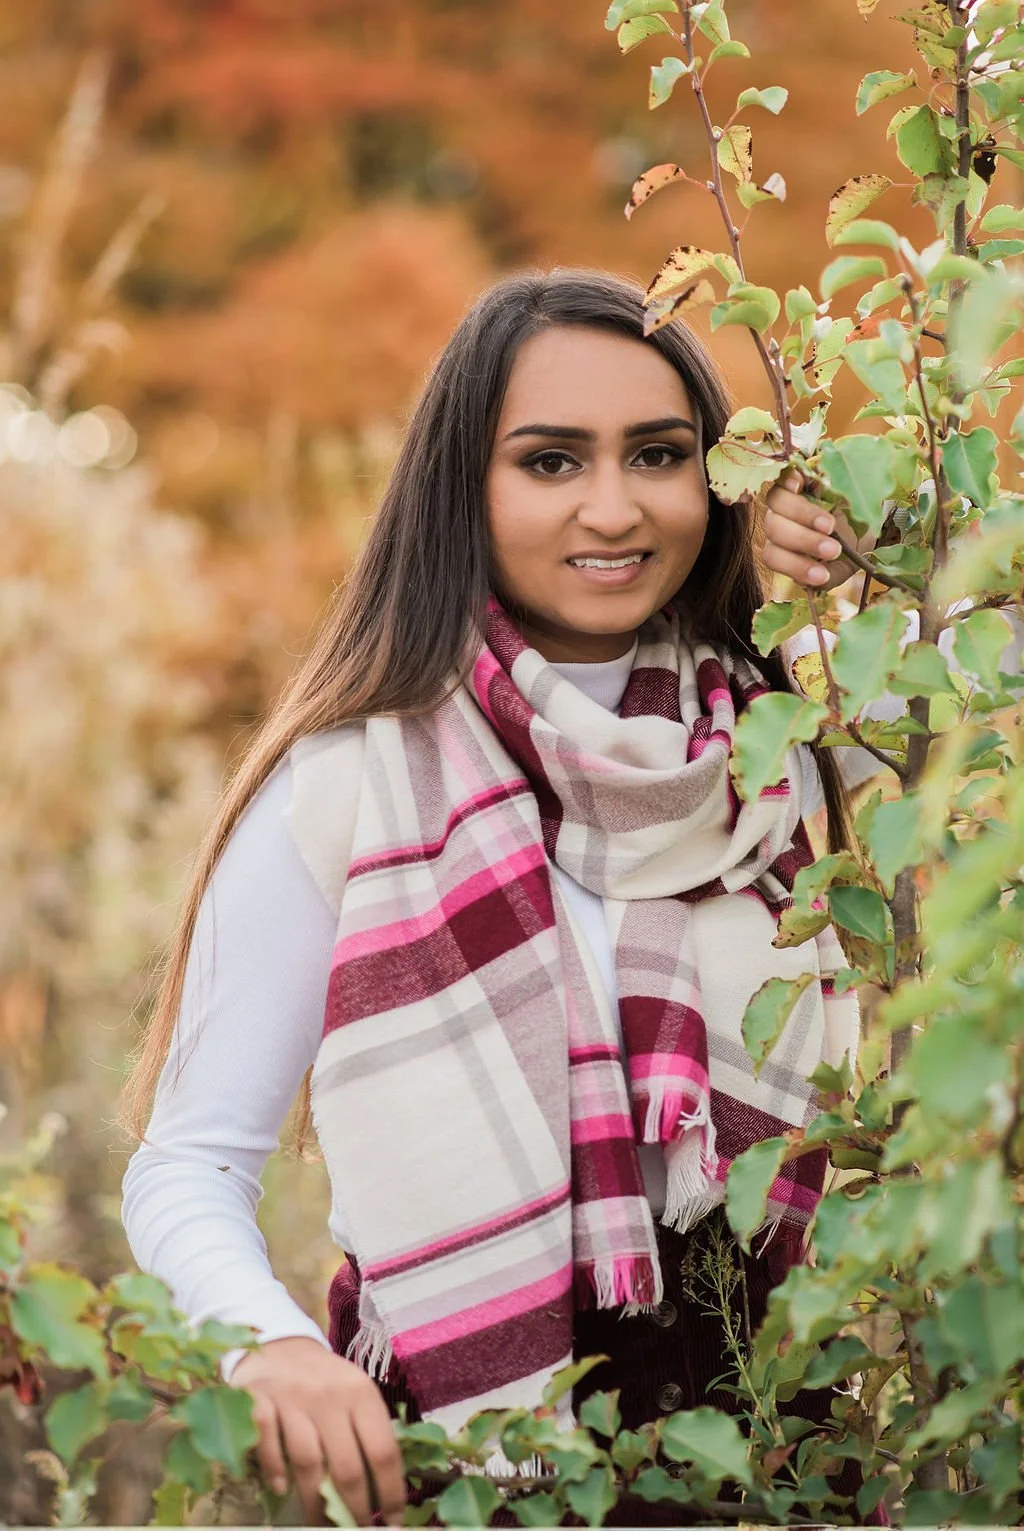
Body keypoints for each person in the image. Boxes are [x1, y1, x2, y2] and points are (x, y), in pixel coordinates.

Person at [119, 268, 907, 1527]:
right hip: (469, 1463)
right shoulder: (345, 787)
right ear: (462, 488)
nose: (614, 506)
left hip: (779, 1453)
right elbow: (187, 1165)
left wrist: (866, 541)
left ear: (720, 479)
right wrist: (269, 1345)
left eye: (659, 455)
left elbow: (989, 636)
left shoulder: (789, 727)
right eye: (549, 461)